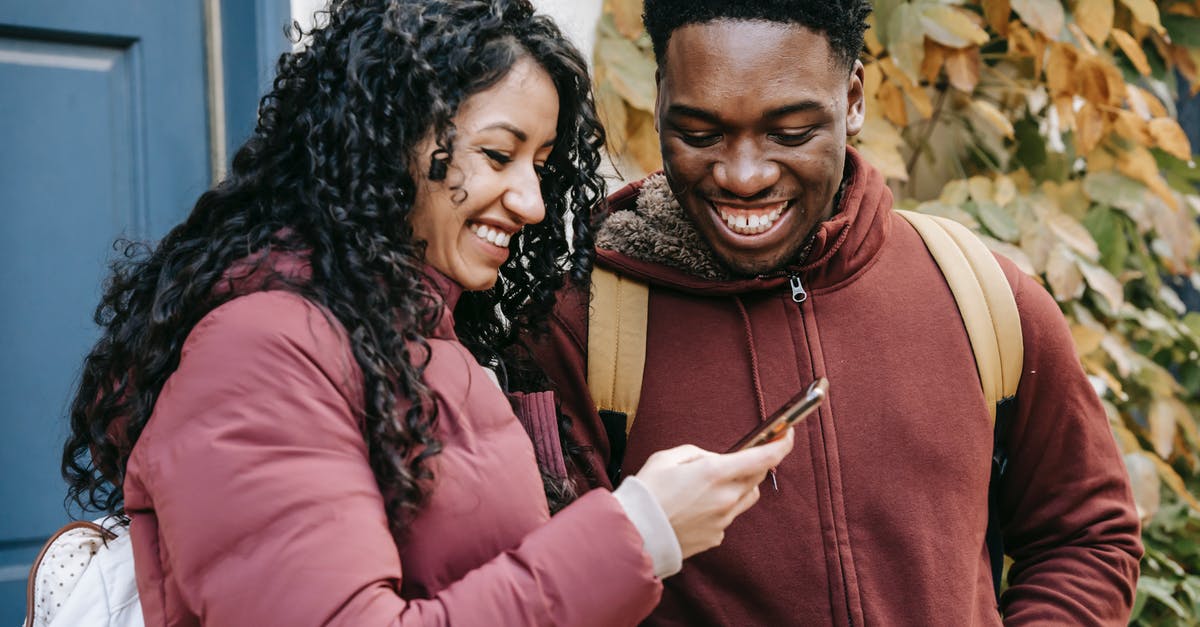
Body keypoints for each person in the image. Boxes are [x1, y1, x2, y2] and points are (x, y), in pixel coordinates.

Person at [59, 1, 794, 624]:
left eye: (539, 166)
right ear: (387, 140)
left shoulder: (431, 335)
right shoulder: (262, 348)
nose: (532, 203)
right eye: (498, 155)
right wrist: (637, 533)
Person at [526, 0, 1144, 624]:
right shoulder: (582, 326)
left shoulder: (981, 295)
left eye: (791, 133)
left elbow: (1086, 535)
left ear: (852, 99)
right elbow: (551, 595)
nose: (744, 176)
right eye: (701, 134)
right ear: (661, 99)